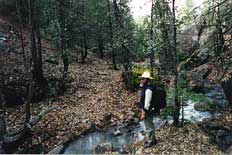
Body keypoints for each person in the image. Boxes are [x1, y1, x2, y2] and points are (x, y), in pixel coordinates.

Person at [139, 71, 157, 148]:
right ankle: (153, 139)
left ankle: (151, 142)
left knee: (148, 125)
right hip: (150, 109)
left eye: (143, 79)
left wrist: (144, 112)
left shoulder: (148, 89)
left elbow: (147, 103)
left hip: (148, 110)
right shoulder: (147, 87)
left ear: (147, 80)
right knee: (150, 124)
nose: (141, 80)